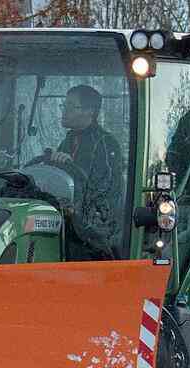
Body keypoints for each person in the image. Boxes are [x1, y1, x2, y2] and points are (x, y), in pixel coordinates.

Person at [48, 84, 125, 260]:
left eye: (70, 106)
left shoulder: (106, 144)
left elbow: (106, 193)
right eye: (64, 105)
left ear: (90, 111)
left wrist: (75, 212)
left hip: (92, 238)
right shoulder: (68, 141)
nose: (64, 111)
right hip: (67, 223)